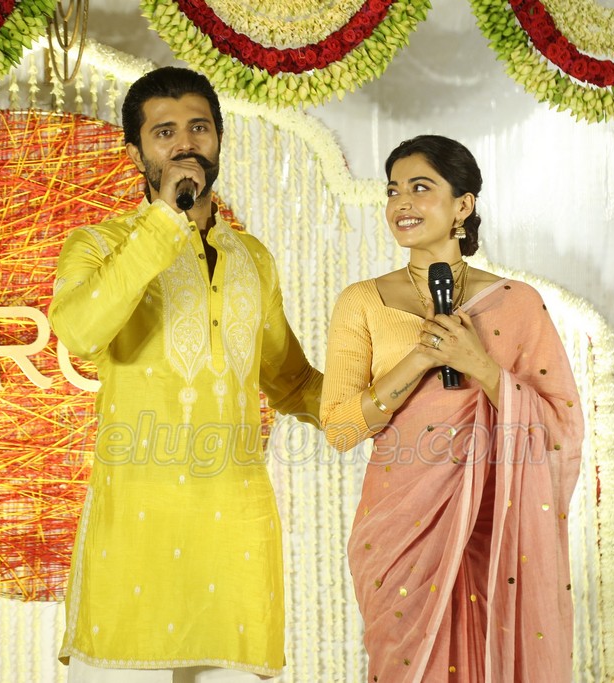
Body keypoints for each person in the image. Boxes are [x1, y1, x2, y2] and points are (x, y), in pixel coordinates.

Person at [49, 66, 322, 683]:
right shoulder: (96, 245)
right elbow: (80, 331)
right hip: (132, 541)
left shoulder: (253, 258)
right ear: (135, 153)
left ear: (219, 139)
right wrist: (164, 225)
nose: (185, 144)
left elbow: (292, 382)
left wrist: (389, 399)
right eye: (164, 132)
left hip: (237, 543)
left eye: (199, 128)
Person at [320, 135, 583, 682]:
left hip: (492, 524)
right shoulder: (362, 301)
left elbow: (560, 428)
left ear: (463, 205)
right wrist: (419, 358)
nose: (402, 203)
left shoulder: (517, 303)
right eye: (393, 190)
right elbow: (341, 428)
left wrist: (478, 364)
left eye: (421, 187)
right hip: (399, 529)